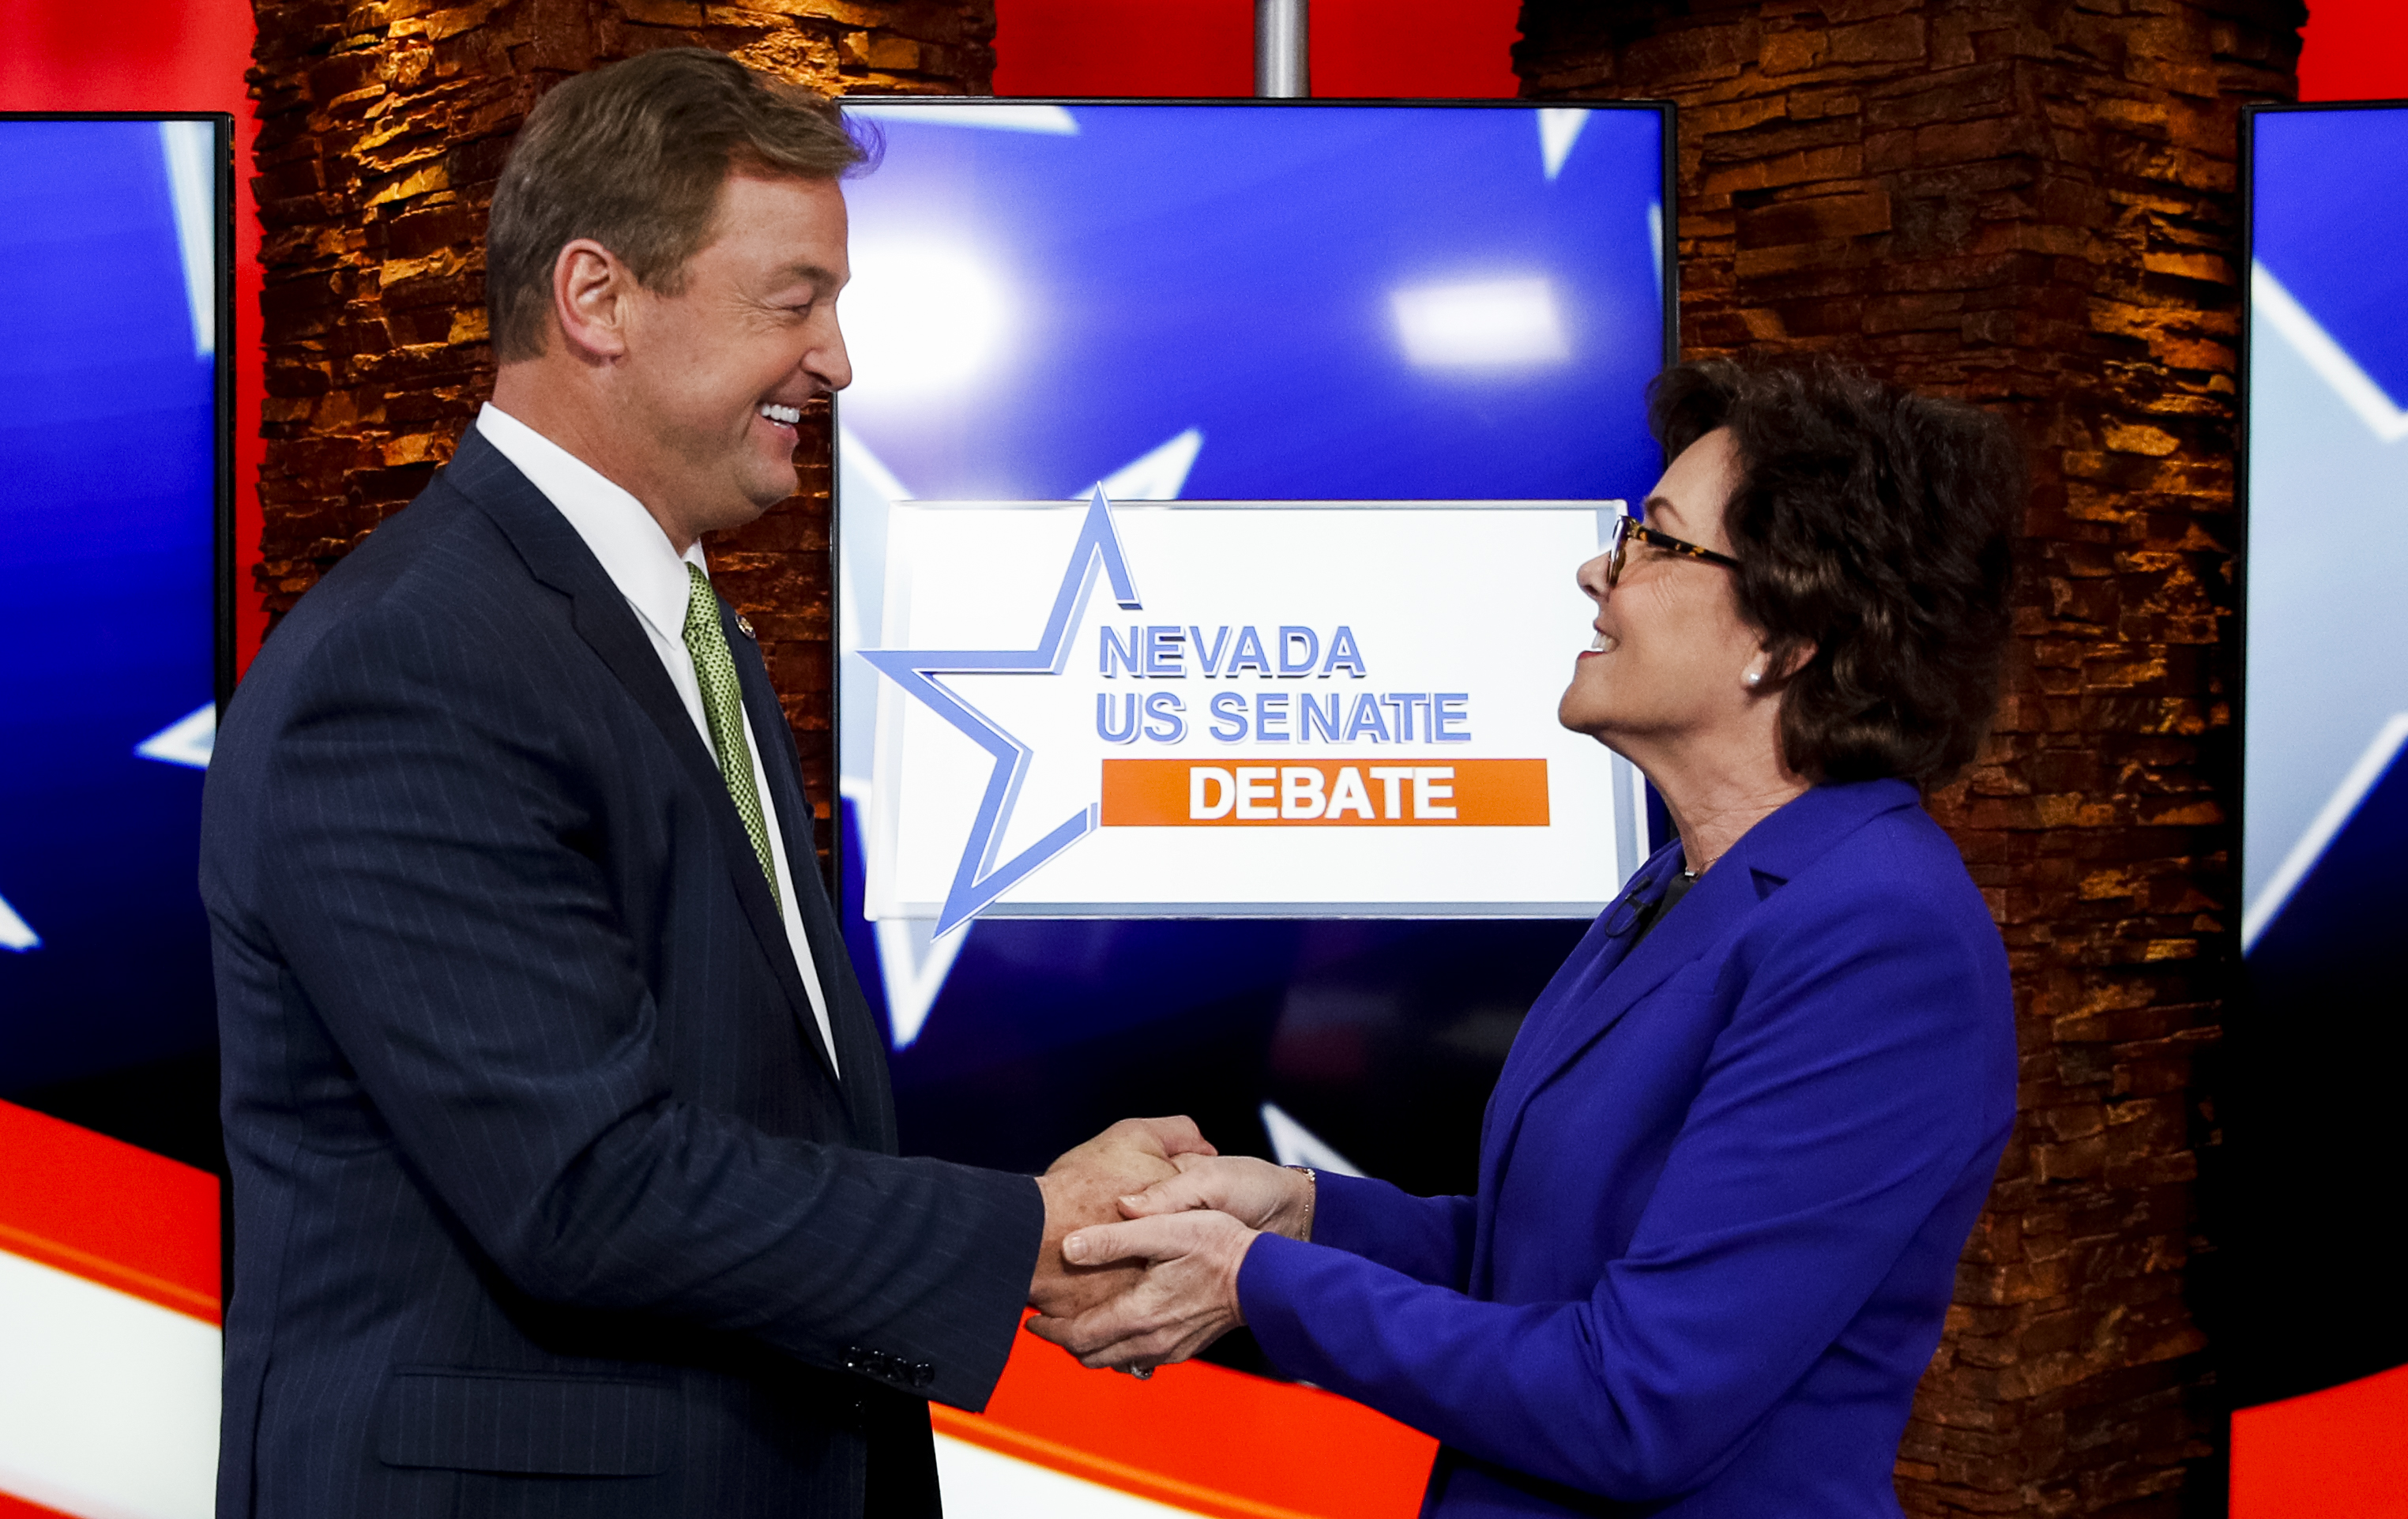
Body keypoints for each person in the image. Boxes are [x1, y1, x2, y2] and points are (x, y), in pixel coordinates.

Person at [201, 50, 1199, 1519]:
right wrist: (1021, 1234)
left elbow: (750, 1110)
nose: (839, 361)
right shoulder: (412, 661)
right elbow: (585, 1183)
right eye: (794, 303)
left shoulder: (690, 621)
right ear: (596, 298)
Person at [1035, 359, 2025, 1517]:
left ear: (1793, 630)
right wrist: (1302, 1212)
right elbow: (1549, 1266)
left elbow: (1633, 1402)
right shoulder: (1686, 880)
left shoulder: (1878, 937)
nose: (1598, 569)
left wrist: (1254, 1284)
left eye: (1656, 541)